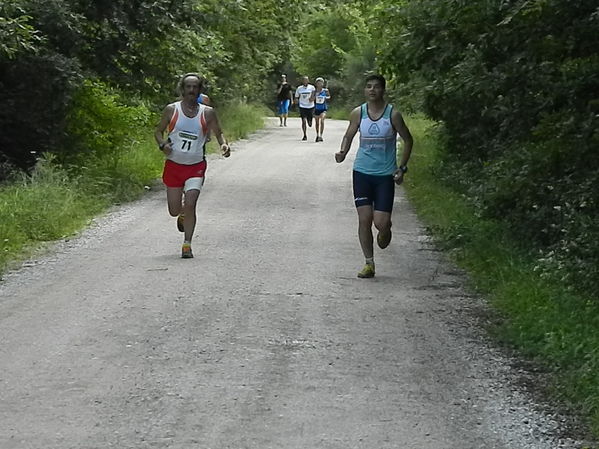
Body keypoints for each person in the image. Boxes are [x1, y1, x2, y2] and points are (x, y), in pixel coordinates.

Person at [334, 74, 413, 278]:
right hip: (362, 172)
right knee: (364, 219)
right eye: (368, 86)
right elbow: (348, 135)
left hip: (385, 175)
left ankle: (386, 229)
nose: (372, 90)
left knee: (380, 223)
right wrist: (342, 152)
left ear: (383, 90)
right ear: (364, 90)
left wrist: (401, 168)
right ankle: (369, 263)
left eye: (376, 87)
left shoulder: (393, 115)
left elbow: (408, 140)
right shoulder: (358, 113)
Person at [155, 73, 231, 259]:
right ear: (183, 89)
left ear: (199, 90)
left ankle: (187, 244)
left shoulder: (207, 112)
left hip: (195, 166)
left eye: (194, 87)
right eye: (188, 87)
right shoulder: (171, 110)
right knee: (174, 210)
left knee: (191, 203)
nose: (191, 90)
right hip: (174, 165)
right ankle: (181, 213)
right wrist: (163, 145)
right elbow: (158, 131)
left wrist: (224, 145)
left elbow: (219, 133)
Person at [294, 75, 316, 141]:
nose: (305, 81)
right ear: (302, 81)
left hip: (310, 106)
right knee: (303, 121)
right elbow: (296, 97)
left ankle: (310, 121)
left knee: (309, 122)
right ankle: (304, 135)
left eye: (306, 80)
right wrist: (296, 101)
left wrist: (312, 98)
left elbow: (314, 95)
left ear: (308, 81)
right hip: (302, 106)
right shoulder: (299, 88)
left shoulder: (312, 87)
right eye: (304, 80)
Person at [313, 77, 331, 142]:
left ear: (322, 84)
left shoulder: (325, 90)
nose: (319, 84)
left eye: (321, 83)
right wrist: (315, 96)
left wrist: (324, 97)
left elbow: (329, 97)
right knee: (317, 123)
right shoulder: (314, 91)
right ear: (316, 84)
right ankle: (317, 135)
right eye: (318, 83)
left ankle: (321, 135)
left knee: (322, 121)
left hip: (323, 108)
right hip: (316, 108)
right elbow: (311, 99)